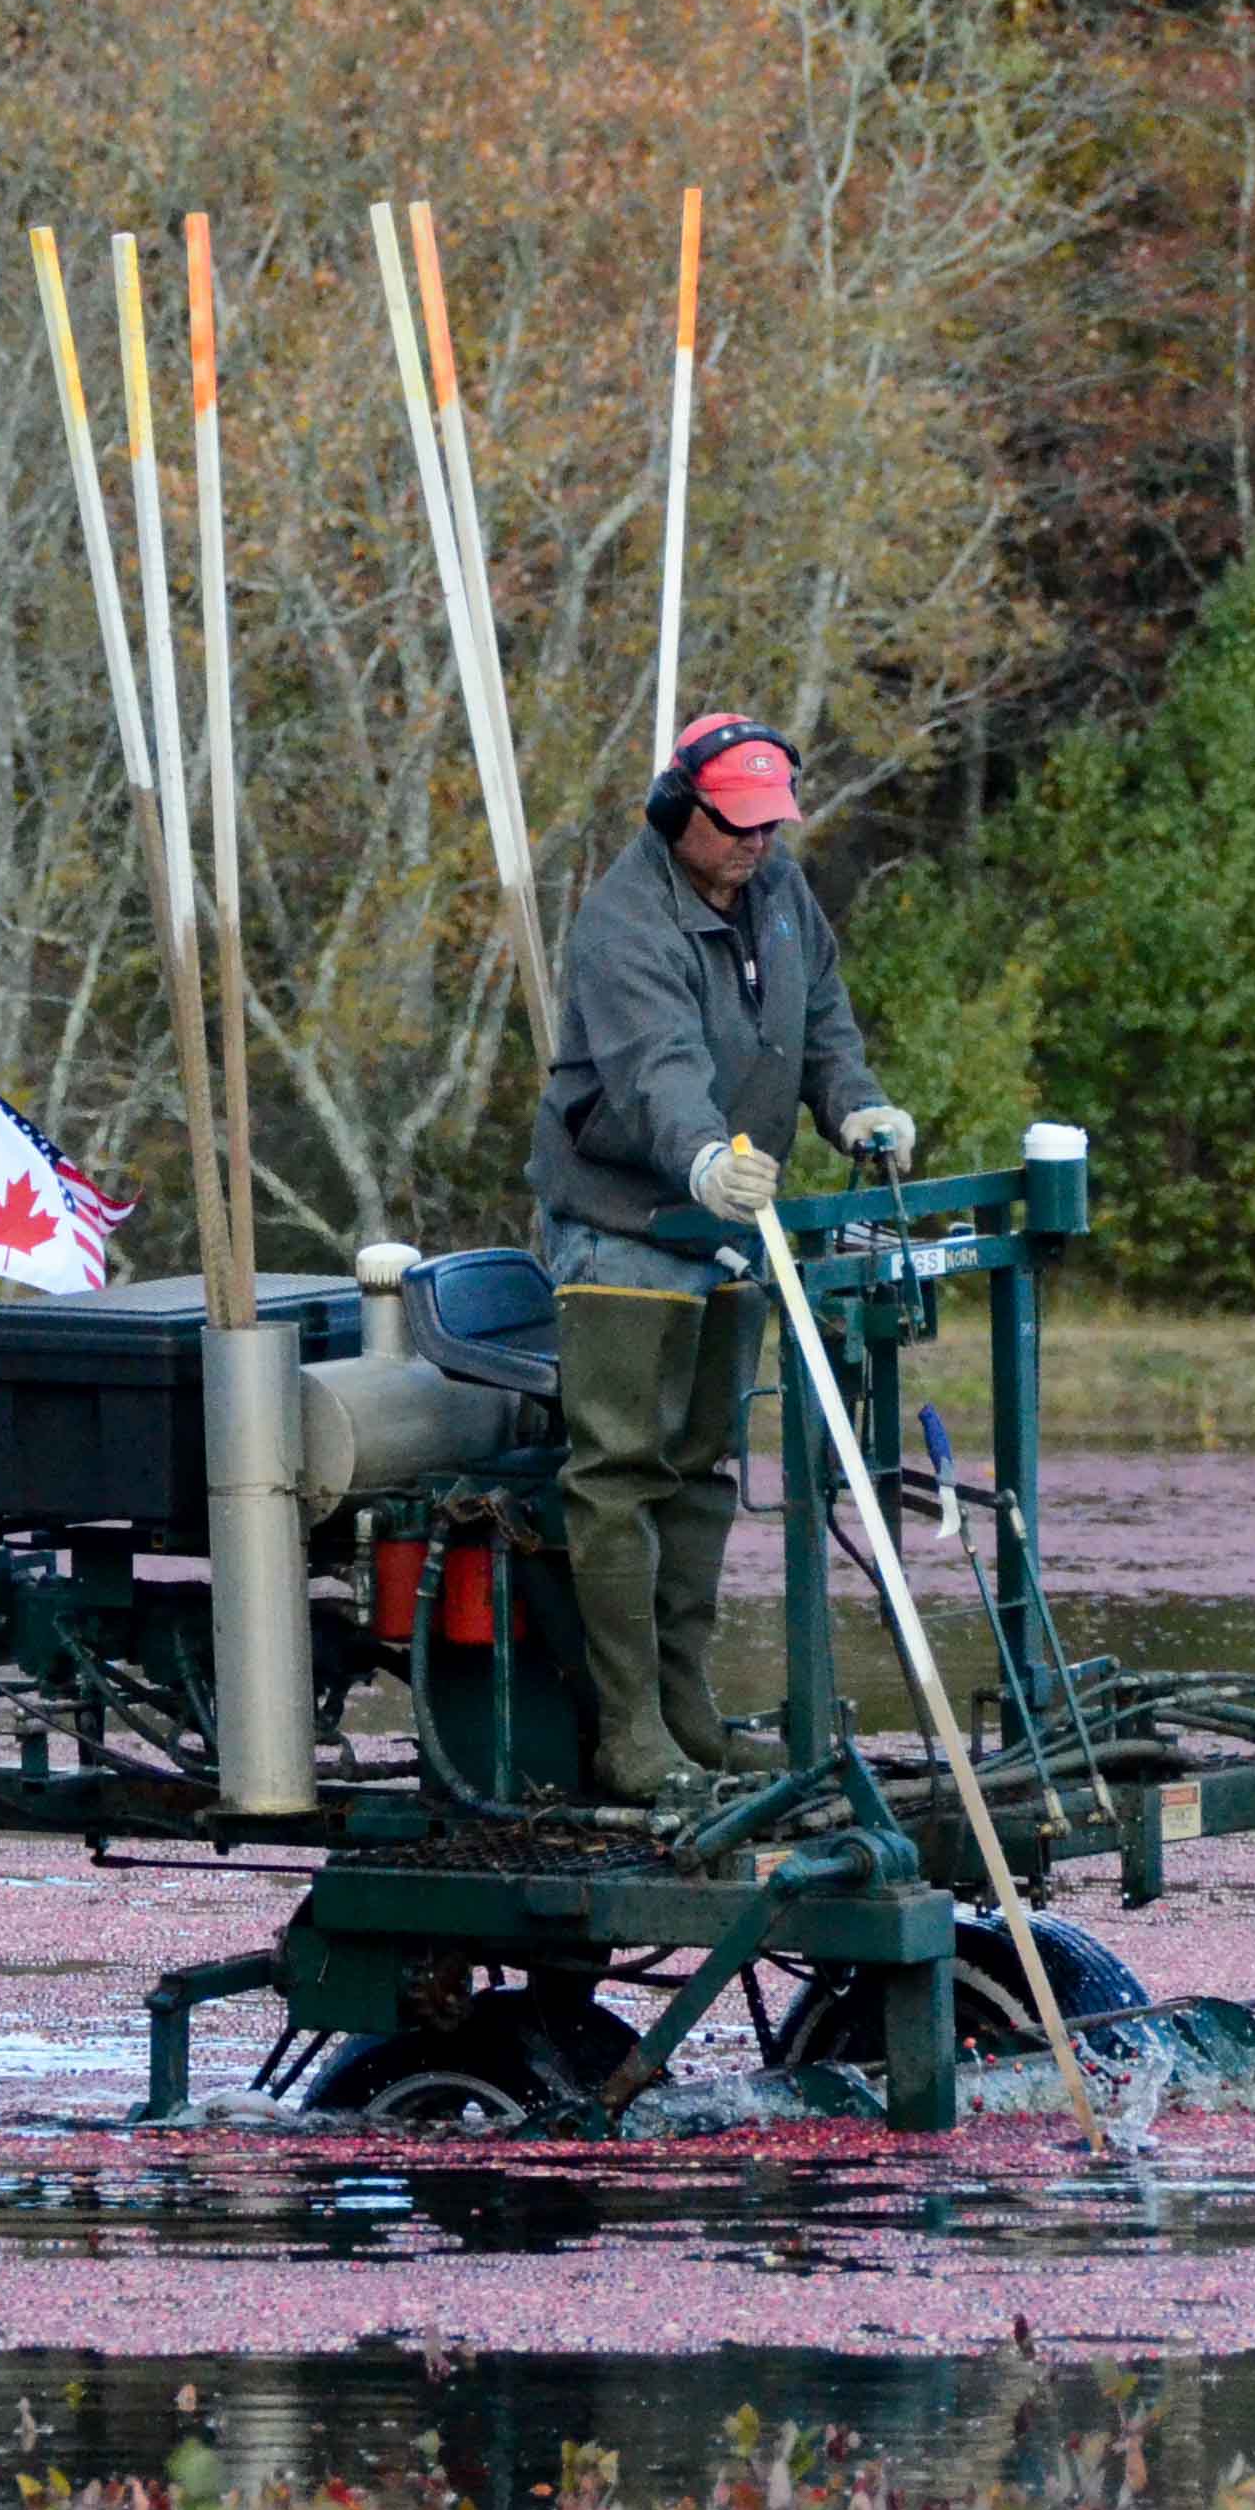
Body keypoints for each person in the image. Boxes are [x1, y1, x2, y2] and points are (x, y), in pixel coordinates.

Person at [525, 711, 912, 1804]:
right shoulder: (622, 923)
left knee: (700, 1470)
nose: (755, 843)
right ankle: (629, 1731)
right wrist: (699, 1160)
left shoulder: (780, 893)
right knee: (616, 1475)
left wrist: (856, 1108)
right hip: (623, 1224)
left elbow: (820, 1020)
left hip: (731, 1228)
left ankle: (688, 1708)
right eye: (734, 825)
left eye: (768, 823)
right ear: (676, 813)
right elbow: (656, 1066)